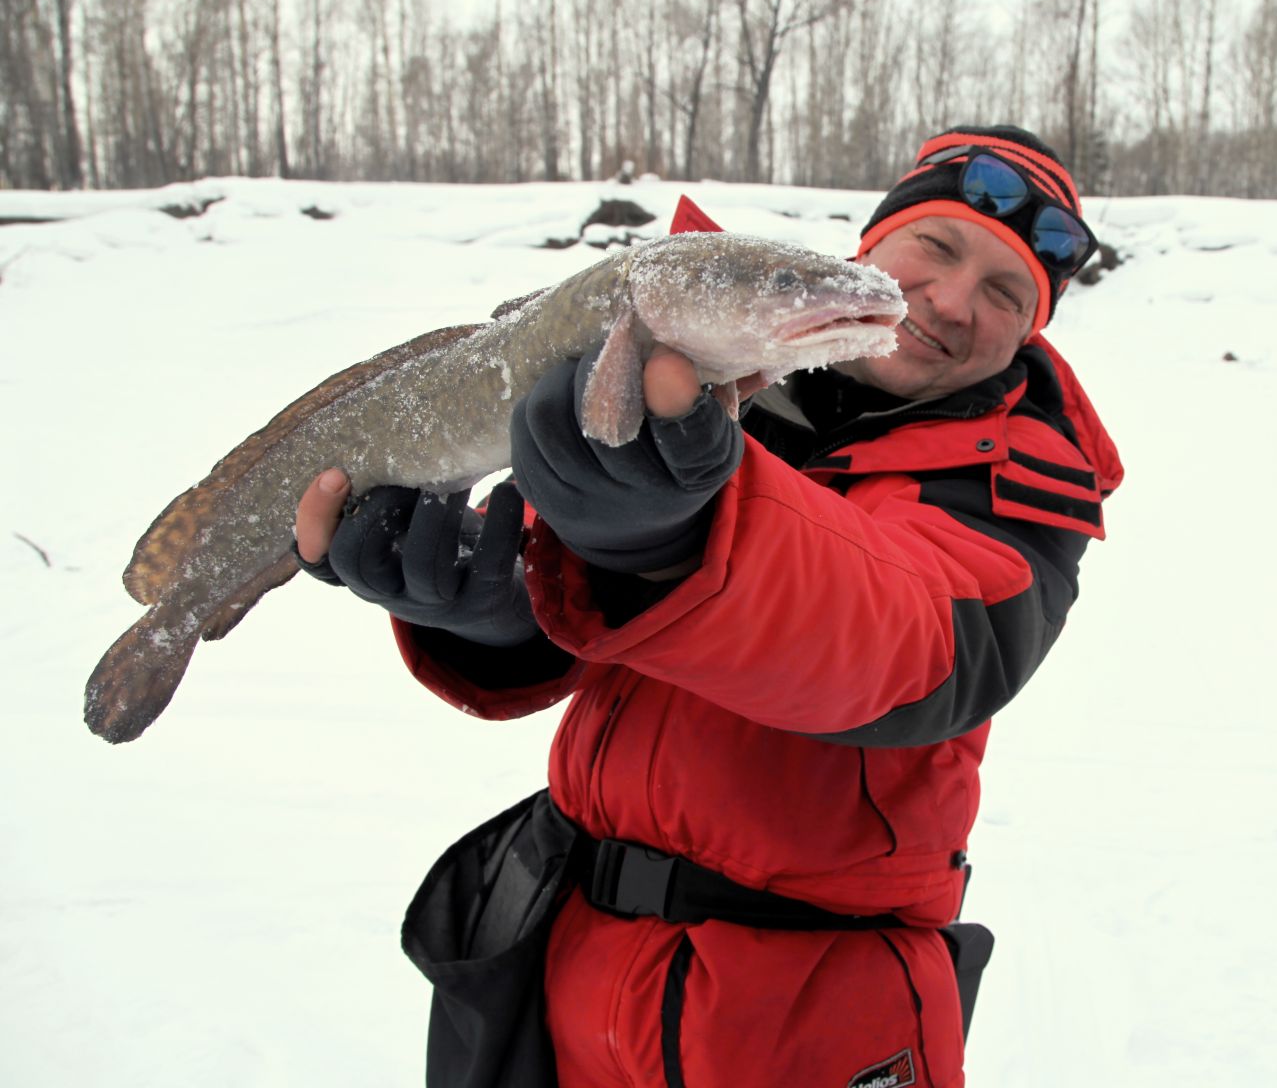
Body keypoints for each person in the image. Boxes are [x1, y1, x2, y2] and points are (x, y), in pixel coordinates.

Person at [293, 125, 1123, 1087]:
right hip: (561, 954)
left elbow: (908, 647)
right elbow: (587, 636)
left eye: (1004, 294)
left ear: (1028, 334)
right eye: (935, 250)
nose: (949, 302)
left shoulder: (1023, 491)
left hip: (805, 1006)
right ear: (866, 246)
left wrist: (680, 540)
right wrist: (491, 608)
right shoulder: (698, 371)